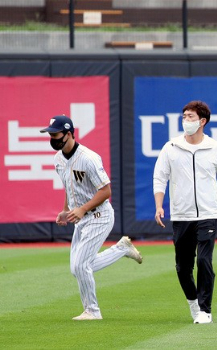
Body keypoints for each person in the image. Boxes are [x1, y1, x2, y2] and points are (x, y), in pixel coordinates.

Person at [40, 115, 143, 321]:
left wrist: (82, 208)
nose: (52, 138)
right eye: (50, 134)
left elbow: (105, 191)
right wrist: (65, 209)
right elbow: (70, 188)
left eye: (56, 134)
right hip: (81, 217)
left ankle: (92, 311)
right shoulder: (58, 159)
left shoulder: (88, 158)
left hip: (99, 215)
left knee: (80, 266)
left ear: (69, 134)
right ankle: (121, 249)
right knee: (77, 268)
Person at [153, 100, 217, 325]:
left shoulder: (214, 148)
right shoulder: (170, 147)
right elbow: (160, 177)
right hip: (181, 215)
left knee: (204, 260)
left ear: (202, 121)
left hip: (208, 213)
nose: (185, 120)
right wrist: (159, 205)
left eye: (190, 116)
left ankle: (205, 309)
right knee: (183, 267)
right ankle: (193, 302)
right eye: (184, 116)